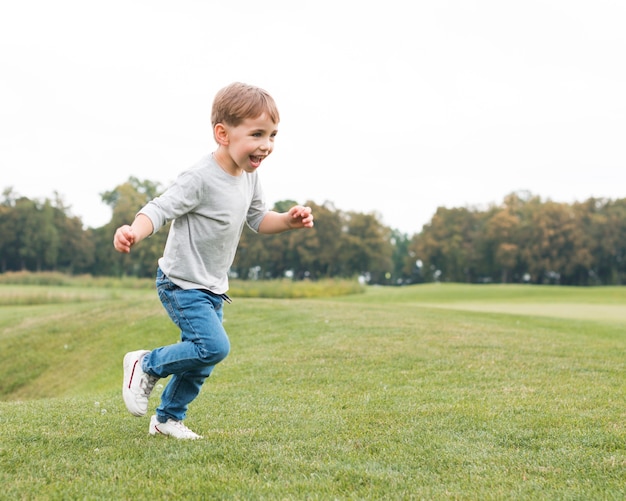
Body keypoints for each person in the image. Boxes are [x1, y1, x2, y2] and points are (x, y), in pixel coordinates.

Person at [113, 82, 314, 440]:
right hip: (180, 282)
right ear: (223, 134)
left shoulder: (250, 177)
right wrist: (134, 230)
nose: (266, 145)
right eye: (257, 134)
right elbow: (160, 208)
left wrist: (287, 221)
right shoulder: (200, 177)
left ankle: (166, 420)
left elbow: (258, 219)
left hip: (213, 286)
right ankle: (145, 364)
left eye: (272, 135)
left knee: (202, 359)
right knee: (213, 347)